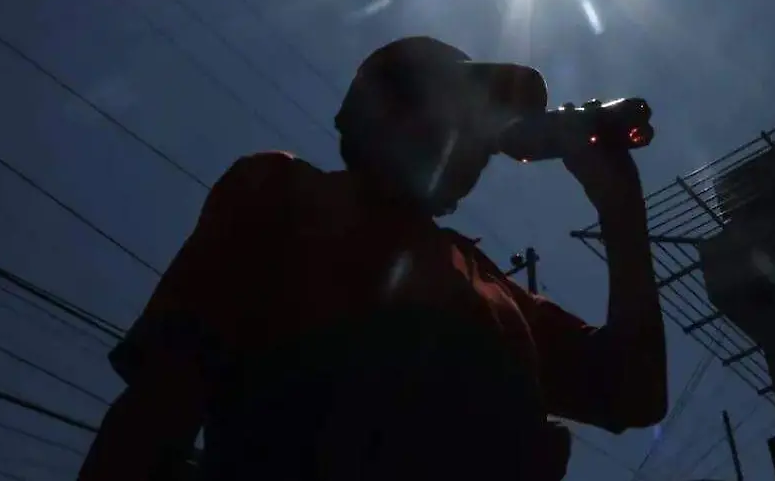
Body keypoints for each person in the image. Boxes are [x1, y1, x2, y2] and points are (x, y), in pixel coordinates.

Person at [77, 36, 668, 481]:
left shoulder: (488, 284)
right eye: (454, 110)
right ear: (380, 114)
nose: (477, 142)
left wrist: (620, 207)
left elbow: (634, 393)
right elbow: (156, 412)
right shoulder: (284, 192)